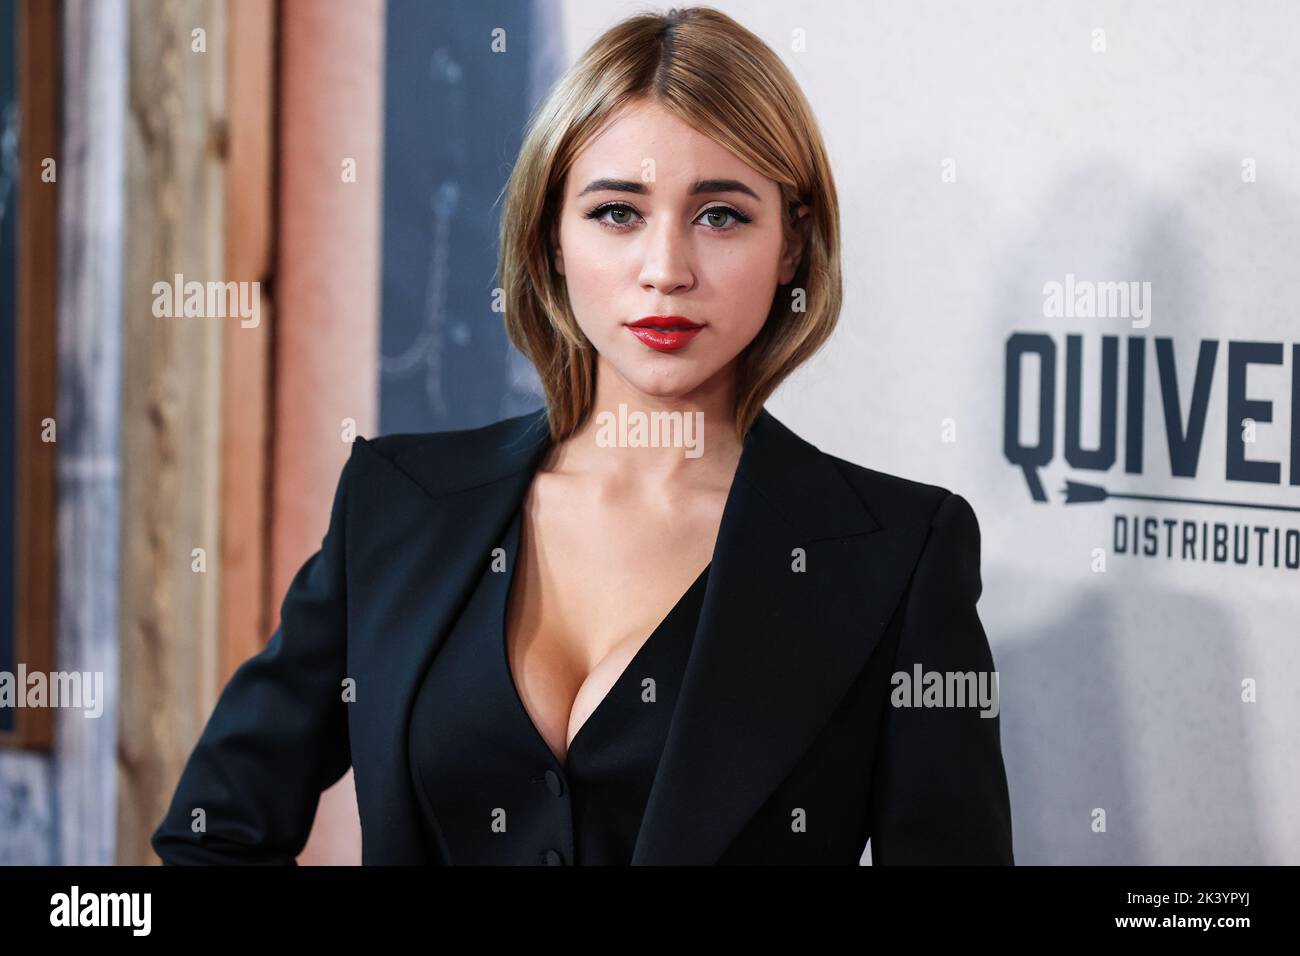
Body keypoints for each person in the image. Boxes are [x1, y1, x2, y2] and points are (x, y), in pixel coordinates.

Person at [152, 5, 1013, 866]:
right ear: (552, 238)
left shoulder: (898, 558)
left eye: (721, 215)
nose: (666, 269)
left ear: (793, 243)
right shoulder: (398, 504)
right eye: (616, 213)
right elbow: (212, 836)